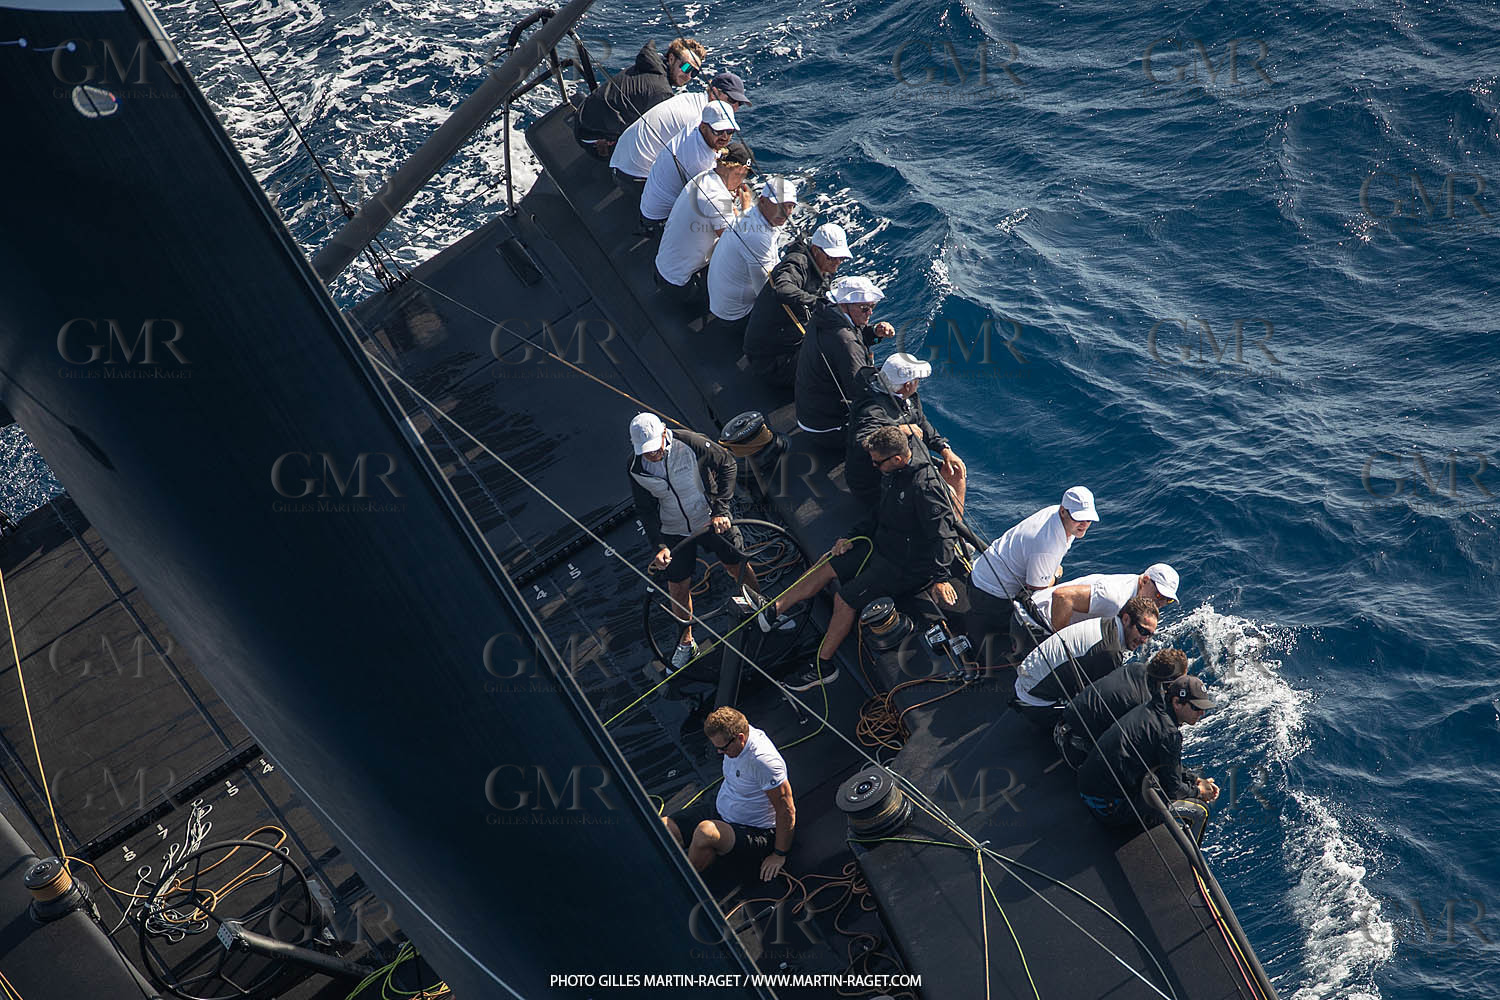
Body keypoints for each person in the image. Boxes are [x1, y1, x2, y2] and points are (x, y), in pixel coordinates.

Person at [745, 426, 958, 691]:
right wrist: (850, 537)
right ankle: (774, 611)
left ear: (898, 459)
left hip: (905, 566)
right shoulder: (892, 472)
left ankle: (823, 666)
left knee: (844, 599)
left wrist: (941, 579)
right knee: (827, 564)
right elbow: (880, 511)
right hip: (881, 544)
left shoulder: (924, 487)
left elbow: (944, 535)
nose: (873, 465)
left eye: (877, 461)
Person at [626, 412, 759, 669]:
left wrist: (721, 511)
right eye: (646, 451)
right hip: (673, 530)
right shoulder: (634, 466)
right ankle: (686, 641)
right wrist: (659, 546)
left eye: (654, 448)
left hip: (709, 519)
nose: (651, 455)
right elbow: (644, 509)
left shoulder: (690, 442)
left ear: (665, 434)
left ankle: (762, 609)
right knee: (677, 587)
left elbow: (728, 463)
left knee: (737, 565)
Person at [964, 487, 1098, 662]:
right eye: (1079, 519)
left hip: (981, 575)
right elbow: (1036, 591)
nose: (1084, 524)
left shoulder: (1055, 516)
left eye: (1088, 519)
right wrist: (1055, 576)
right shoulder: (1047, 546)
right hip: (989, 597)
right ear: (1063, 511)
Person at [664, 707, 795, 881]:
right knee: (663, 827)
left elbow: (786, 810)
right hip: (722, 810)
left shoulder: (763, 762)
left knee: (705, 833)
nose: (719, 752)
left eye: (723, 748)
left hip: (755, 830)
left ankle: (681, 882)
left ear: (740, 738)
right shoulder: (733, 742)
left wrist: (779, 853)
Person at [1077, 674, 1219, 829]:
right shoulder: (1169, 733)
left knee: (1159, 780)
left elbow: (1168, 766)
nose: (1201, 714)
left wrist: (1195, 779)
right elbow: (1174, 789)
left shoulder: (1152, 708)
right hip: (1107, 808)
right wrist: (1199, 792)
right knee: (1199, 811)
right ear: (1177, 702)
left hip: (1087, 788)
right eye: (1196, 708)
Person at [845, 351, 966, 512]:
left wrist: (943, 449)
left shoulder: (907, 397)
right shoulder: (871, 408)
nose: (918, 384)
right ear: (907, 385)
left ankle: (956, 526)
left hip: (902, 463)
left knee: (955, 472)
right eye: (916, 380)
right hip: (876, 481)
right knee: (940, 494)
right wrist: (899, 430)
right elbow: (862, 440)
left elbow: (921, 422)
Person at [1010, 595, 1159, 726]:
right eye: (1143, 631)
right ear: (1126, 619)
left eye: (1150, 635)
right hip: (1036, 704)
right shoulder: (1109, 652)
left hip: (1028, 681)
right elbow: (1101, 700)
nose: (1145, 640)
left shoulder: (1107, 622)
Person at [610, 71, 750, 205]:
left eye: (740, 103)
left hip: (618, 160)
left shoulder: (690, 99)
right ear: (714, 93)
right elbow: (697, 166)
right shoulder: (697, 119)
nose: (735, 108)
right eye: (732, 100)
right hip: (631, 177)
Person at [741, 223, 850, 387]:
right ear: (815, 250)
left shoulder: (824, 270)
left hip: (787, 345)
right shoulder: (798, 264)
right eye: (831, 257)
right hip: (769, 362)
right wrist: (815, 302)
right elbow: (783, 287)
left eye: (841, 258)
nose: (837, 263)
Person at [793, 276, 895, 448]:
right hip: (827, 428)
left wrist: (873, 333)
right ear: (843, 305)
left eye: (872, 306)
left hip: (809, 414)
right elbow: (860, 393)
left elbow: (845, 340)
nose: (870, 313)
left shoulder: (825, 315)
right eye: (864, 308)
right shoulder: (847, 343)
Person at [653, 141, 754, 308]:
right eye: (745, 175)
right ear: (740, 170)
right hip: (681, 286)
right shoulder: (717, 199)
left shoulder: (704, 177)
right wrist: (746, 209)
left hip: (662, 270)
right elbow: (739, 244)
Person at [1055, 647, 1188, 769]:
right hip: (1073, 750)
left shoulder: (1135, 667)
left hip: (1061, 724)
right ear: (1170, 682)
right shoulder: (1144, 703)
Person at [574, 38, 706, 158]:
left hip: (582, 117)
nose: (688, 76)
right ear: (671, 59)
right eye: (686, 67)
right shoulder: (660, 92)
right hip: (591, 138)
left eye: (694, 72)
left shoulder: (650, 63)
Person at [705, 178, 797, 339]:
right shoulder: (757, 236)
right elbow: (764, 293)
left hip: (720, 301)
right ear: (762, 201)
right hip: (734, 316)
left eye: (790, 206)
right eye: (780, 206)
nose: (786, 213)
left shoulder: (752, 216)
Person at [637, 101, 739, 230]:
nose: (725, 137)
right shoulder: (699, 162)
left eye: (730, 131)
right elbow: (708, 203)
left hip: (649, 199)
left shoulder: (697, 121)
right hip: (658, 218)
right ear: (703, 127)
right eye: (718, 131)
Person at [1024, 563, 1179, 635]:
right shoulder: (1115, 597)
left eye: (1168, 600)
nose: (1161, 604)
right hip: (1034, 623)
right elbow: (1062, 597)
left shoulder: (1136, 591)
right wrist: (1058, 643)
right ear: (1144, 581)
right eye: (1159, 595)